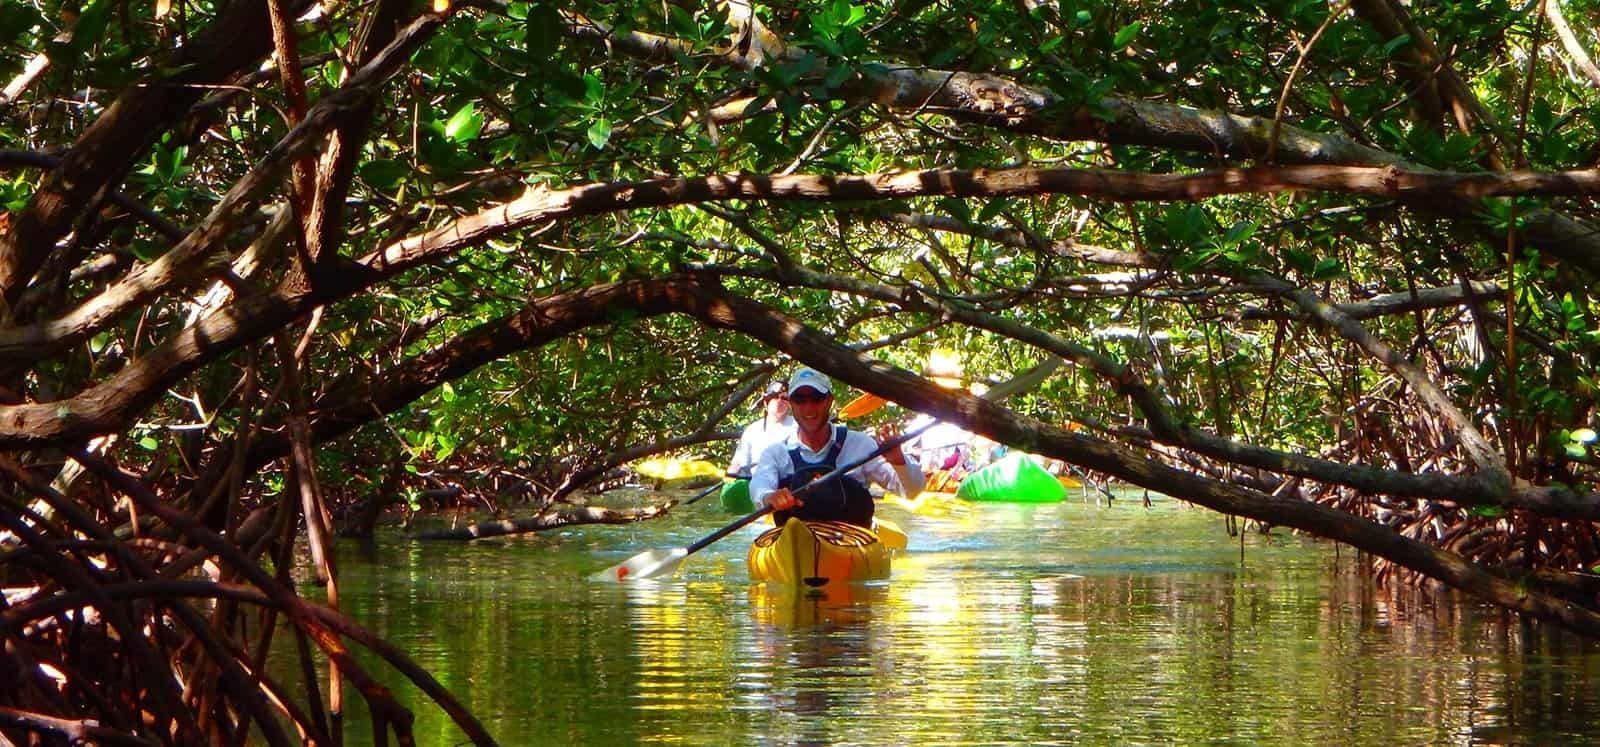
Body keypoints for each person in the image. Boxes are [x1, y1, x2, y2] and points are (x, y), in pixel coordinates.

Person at [750, 367, 925, 528]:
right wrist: (769, 497)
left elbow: (912, 492)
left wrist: (898, 460)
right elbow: (759, 487)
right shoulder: (775, 453)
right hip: (795, 542)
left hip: (852, 542)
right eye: (800, 399)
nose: (808, 407)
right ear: (791, 403)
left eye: (816, 398)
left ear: (829, 401)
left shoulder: (860, 444)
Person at [727, 379, 795, 479]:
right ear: (765, 402)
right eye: (775, 397)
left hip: (792, 485)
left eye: (784, 398)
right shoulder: (752, 431)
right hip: (759, 485)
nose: (780, 401)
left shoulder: (799, 426)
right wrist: (729, 477)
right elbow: (738, 463)